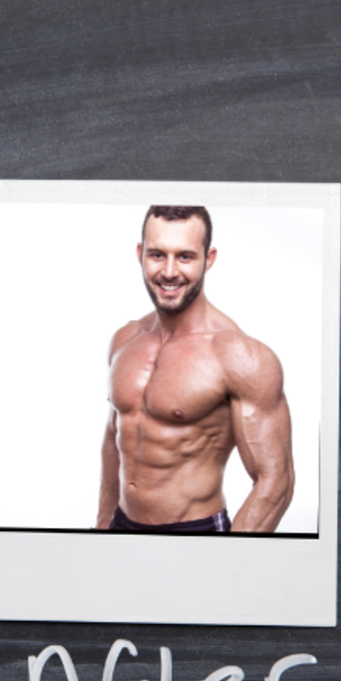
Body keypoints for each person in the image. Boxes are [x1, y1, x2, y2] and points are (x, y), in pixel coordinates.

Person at [95, 206, 294, 534]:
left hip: (197, 533)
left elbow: (275, 483)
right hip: (122, 527)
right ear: (140, 254)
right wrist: (103, 524)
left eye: (185, 257)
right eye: (157, 255)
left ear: (209, 258)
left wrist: (228, 562)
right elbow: (114, 436)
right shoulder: (124, 339)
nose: (169, 272)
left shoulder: (239, 357)